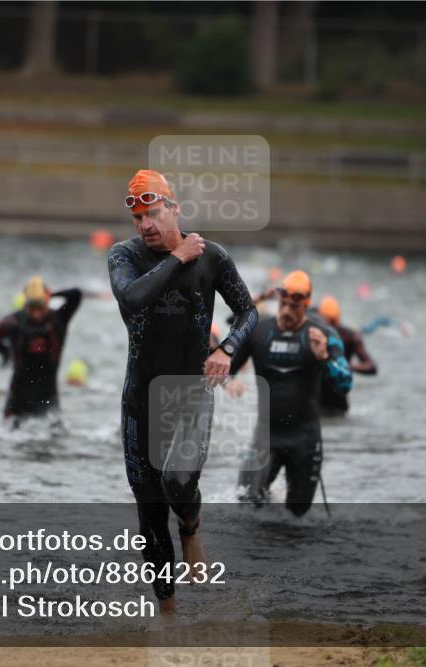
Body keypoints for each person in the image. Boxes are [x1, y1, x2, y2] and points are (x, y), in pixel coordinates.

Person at [107, 169, 257, 619]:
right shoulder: (124, 256)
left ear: (175, 208)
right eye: (138, 218)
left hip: (191, 394)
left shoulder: (212, 258)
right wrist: (177, 257)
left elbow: (249, 313)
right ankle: (167, 614)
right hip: (140, 402)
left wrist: (227, 349)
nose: (145, 225)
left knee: (177, 481)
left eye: (153, 213)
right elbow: (132, 298)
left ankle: (191, 526)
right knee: (150, 512)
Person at [230, 271, 352, 516]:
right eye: (283, 304)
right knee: (245, 506)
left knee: (298, 517)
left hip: (304, 440)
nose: (286, 311)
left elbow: (345, 383)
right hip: (265, 437)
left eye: (294, 306)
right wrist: (227, 381)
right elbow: (223, 365)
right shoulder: (259, 330)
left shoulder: (323, 335)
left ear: (306, 304)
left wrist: (324, 358)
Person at [0, 276, 82, 424]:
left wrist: (51, 293)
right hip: (18, 400)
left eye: (40, 307)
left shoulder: (59, 318)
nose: (36, 313)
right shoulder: (14, 321)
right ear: (25, 303)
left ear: (47, 300)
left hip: (48, 398)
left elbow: (76, 294)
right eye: (32, 307)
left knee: (55, 444)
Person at [315, 295, 377, 417]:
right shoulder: (351, 335)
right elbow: (370, 366)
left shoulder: (317, 334)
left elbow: (372, 367)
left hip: (324, 398)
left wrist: (346, 366)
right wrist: (346, 367)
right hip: (335, 397)